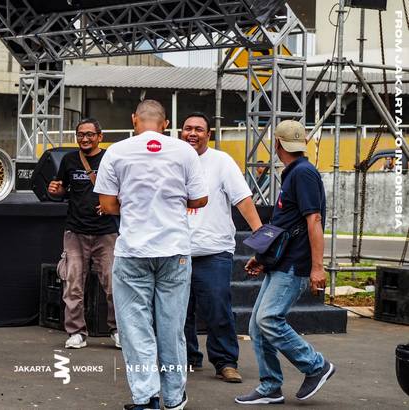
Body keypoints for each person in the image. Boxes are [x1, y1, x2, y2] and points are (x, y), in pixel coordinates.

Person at [95, 100, 209, 410]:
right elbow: (200, 199)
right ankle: (174, 398)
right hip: (175, 250)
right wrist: (171, 201)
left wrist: (134, 202)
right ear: (166, 123)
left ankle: (146, 398)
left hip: (133, 251)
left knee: (135, 328)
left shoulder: (116, 152)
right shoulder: (184, 152)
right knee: (172, 329)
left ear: (134, 120)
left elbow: (107, 206)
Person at [236, 120, 334, 405]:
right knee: (257, 327)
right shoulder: (294, 173)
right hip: (282, 262)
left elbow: (314, 220)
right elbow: (287, 225)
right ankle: (270, 387)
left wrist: (317, 267)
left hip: (294, 264)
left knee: (268, 319)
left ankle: (316, 366)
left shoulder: (302, 174)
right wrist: (263, 258)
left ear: (276, 144)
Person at [180, 112, 262, 383]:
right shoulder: (173, 160)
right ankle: (187, 358)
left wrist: (261, 237)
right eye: (188, 128)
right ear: (180, 132)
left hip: (214, 252)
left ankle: (225, 362)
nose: (193, 133)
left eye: (199, 129)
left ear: (208, 135)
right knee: (178, 312)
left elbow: (243, 199)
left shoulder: (221, 161)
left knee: (218, 308)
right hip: (177, 251)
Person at [47, 118, 120, 349]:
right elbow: (63, 190)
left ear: (100, 136)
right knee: (73, 285)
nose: (85, 138)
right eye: (80, 134)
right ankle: (76, 332)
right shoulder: (69, 160)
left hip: (106, 232)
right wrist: (56, 190)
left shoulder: (111, 159)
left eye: (90, 134)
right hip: (75, 232)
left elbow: (125, 190)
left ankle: (118, 330)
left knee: (114, 285)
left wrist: (111, 204)